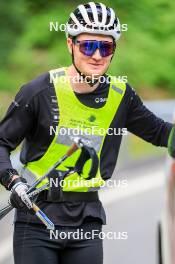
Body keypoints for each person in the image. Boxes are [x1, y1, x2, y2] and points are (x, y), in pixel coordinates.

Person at [0, 2, 174, 264]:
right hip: (36, 217)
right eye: (88, 46)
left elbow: (162, 133)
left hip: (86, 221)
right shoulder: (38, 91)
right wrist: (13, 182)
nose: (96, 55)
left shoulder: (121, 96)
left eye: (105, 47)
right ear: (70, 44)